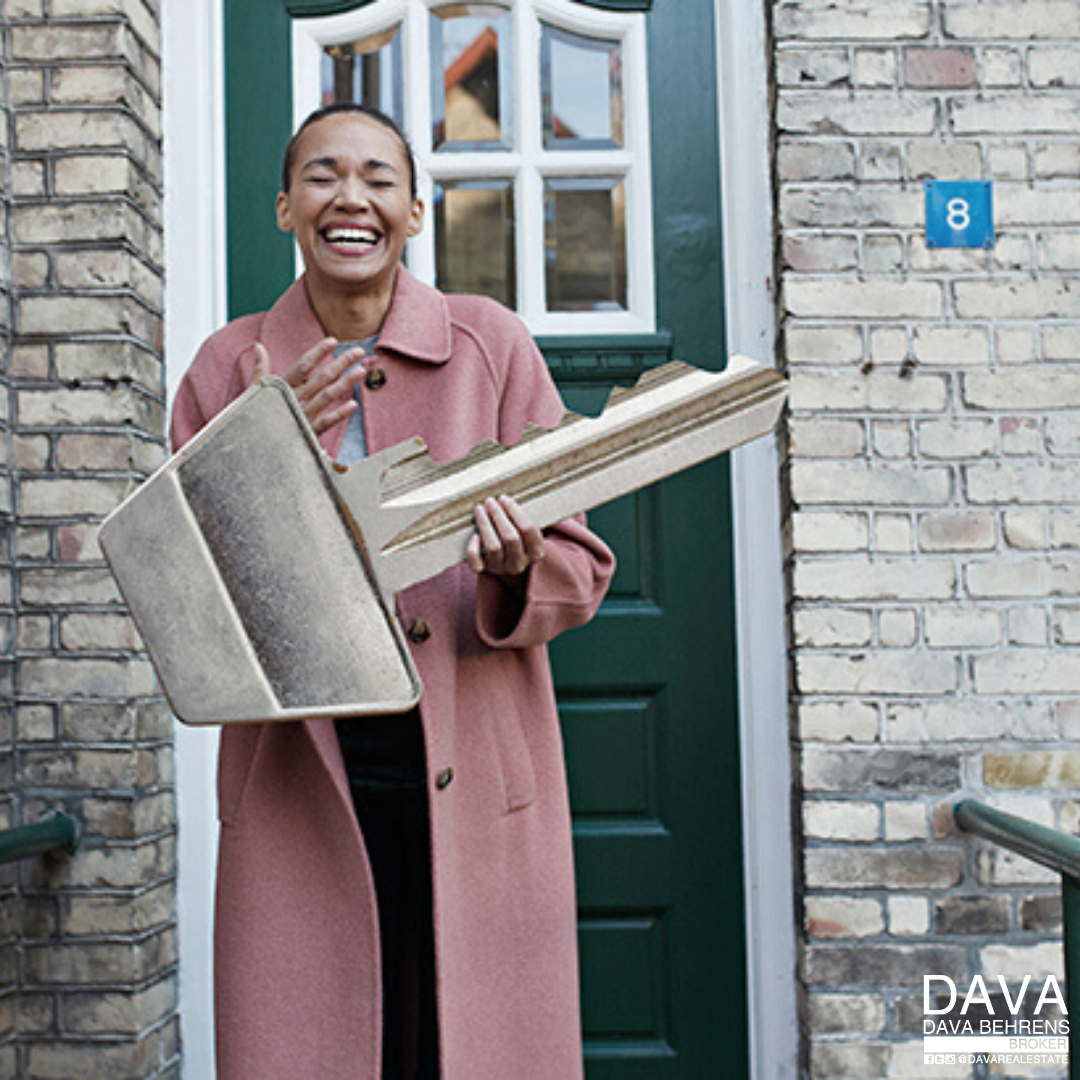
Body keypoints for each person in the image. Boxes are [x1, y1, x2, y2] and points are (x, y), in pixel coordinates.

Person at [170, 103, 615, 1079]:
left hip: (473, 771)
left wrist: (513, 569)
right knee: (321, 1037)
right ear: (286, 207)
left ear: (417, 210)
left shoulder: (492, 347)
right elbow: (191, 608)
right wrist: (260, 452)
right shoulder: (223, 371)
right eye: (322, 175)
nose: (351, 196)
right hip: (301, 779)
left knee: (462, 1043)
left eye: (379, 177)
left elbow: (581, 567)